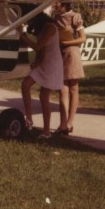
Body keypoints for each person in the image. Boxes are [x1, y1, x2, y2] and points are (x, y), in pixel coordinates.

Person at [18, 12, 64, 140]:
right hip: (44, 63)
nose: (29, 24)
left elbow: (38, 46)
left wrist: (22, 35)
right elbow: (42, 49)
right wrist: (37, 61)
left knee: (44, 97)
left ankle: (46, 132)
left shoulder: (50, 27)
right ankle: (29, 119)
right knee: (25, 85)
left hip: (52, 65)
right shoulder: (43, 28)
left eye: (30, 21)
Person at [53, 1, 86, 135]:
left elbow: (83, 39)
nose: (55, 5)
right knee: (62, 89)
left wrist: (66, 42)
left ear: (64, 5)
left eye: (58, 3)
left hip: (72, 54)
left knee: (73, 88)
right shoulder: (56, 18)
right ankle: (63, 124)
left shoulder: (75, 17)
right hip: (60, 54)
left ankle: (69, 122)